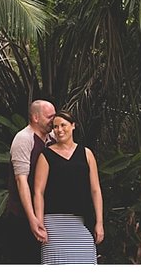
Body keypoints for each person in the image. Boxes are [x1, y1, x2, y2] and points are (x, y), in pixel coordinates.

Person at [32, 110, 104, 264]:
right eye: (55, 127)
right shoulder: (46, 155)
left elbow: (96, 190)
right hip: (52, 224)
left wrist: (99, 222)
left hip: (81, 223)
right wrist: (39, 222)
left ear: (73, 126)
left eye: (63, 125)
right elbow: (38, 192)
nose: (59, 130)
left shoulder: (86, 154)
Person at [6, 99, 56, 262]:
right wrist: (32, 219)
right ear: (36, 118)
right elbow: (21, 181)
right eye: (50, 117)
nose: (54, 121)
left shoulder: (53, 137)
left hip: (47, 213)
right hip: (22, 215)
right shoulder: (23, 139)